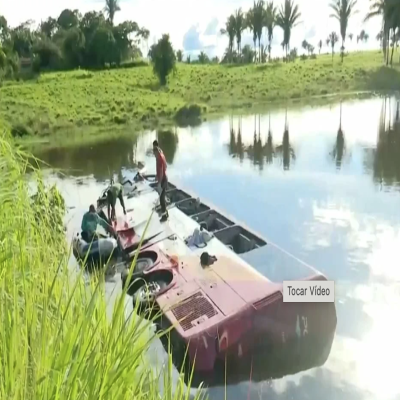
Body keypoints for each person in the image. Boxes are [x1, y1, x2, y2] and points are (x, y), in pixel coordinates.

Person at [153, 140, 168, 222]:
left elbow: (162, 171)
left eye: (154, 154)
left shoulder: (159, 158)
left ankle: (164, 216)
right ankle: (166, 213)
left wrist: (159, 183)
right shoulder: (161, 155)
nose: (154, 155)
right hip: (163, 179)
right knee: (162, 197)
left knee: (162, 199)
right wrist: (157, 175)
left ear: (156, 152)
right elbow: (166, 166)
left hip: (163, 180)